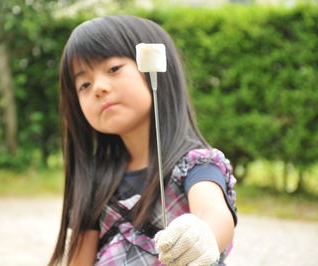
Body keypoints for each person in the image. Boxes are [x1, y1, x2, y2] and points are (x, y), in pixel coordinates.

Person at [49, 15, 237, 266]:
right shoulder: (96, 181)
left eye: (114, 69)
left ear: (156, 68)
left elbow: (214, 215)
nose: (98, 88)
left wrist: (201, 236)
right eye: (84, 84)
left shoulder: (196, 165)